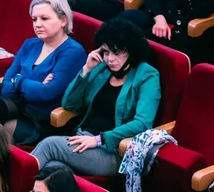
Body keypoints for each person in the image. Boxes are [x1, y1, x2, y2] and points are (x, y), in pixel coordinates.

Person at [31, 19, 160, 178]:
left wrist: (100, 139)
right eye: (106, 52)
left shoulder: (147, 75)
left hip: (113, 152)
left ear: (132, 51)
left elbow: (143, 123)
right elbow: (69, 103)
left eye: (117, 52)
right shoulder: (101, 68)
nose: (110, 59)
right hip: (81, 141)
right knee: (52, 170)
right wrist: (87, 69)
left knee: (49, 145)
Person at [0, 0, 87, 146]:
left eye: (44, 18)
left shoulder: (72, 52)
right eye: (34, 19)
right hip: (18, 106)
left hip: (41, 118)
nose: (37, 24)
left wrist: (20, 80)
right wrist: (33, 83)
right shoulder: (30, 44)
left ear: (63, 20)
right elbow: (6, 86)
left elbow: (47, 93)